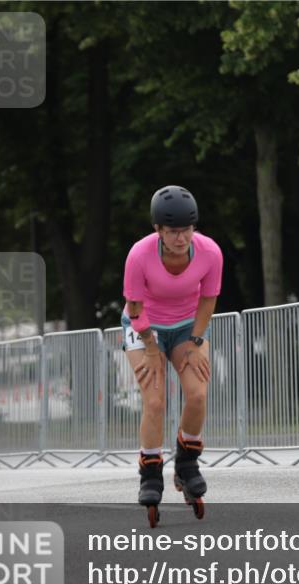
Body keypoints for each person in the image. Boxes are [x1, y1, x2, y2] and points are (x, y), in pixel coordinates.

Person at [122, 185, 223, 526]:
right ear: (158, 231)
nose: (181, 238)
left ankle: (186, 462)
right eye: (173, 232)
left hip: (185, 327)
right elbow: (135, 308)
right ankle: (150, 473)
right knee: (154, 400)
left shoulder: (209, 252)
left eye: (186, 230)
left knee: (197, 392)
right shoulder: (139, 255)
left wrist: (196, 340)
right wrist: (150, 348)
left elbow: (208, 299)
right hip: (143, 326)